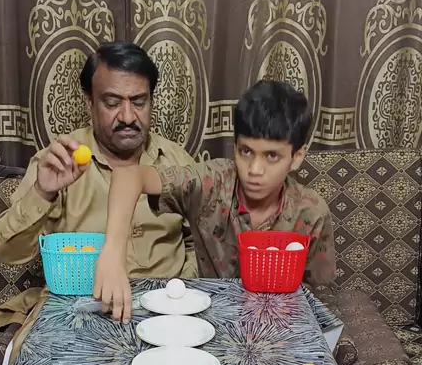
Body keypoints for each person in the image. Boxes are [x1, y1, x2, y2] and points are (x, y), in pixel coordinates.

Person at [0, 41, 198, 361]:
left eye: (139, 101)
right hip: (79, 311)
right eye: (112, 102)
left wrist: (180, 292)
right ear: (89, 102)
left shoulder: (177, 162)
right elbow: (7, 252)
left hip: (164, 313)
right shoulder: (59, 162)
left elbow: (197, 243)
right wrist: (42, 193)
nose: (127, 116)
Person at [93, 79, 336, 321]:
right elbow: (129, 176)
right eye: (246, 151)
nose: (254, 169)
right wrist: (113, 252)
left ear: (297, 156)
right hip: (209, 325)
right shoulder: (212, 183)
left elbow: (319, 300)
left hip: (280, 329)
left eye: (271, 156)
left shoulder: (311, 212)